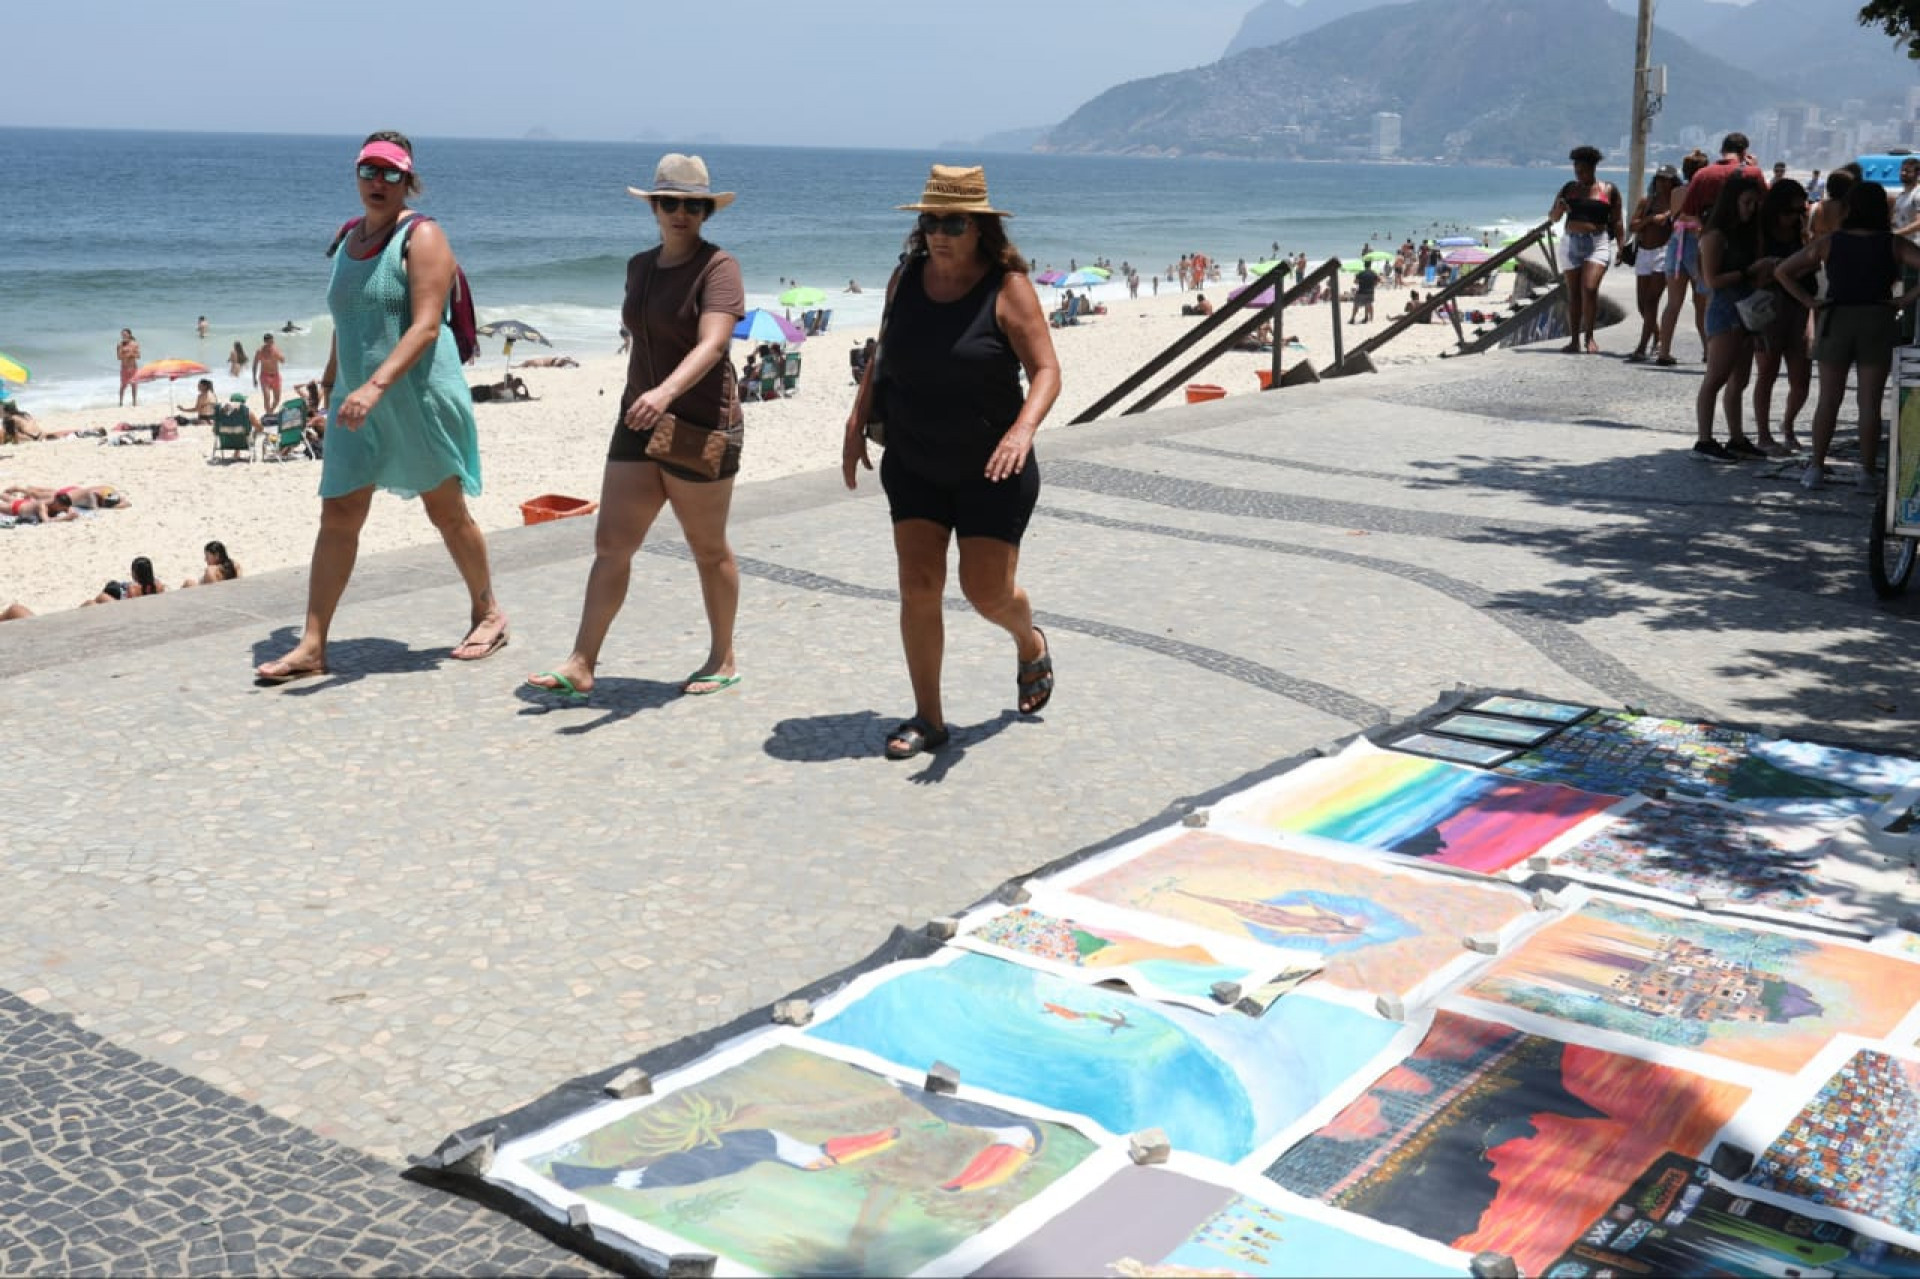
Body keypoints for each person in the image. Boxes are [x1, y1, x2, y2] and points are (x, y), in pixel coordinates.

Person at [255, 130, 508, 684]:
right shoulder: (347, 238)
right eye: (369, 170)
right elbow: (347, 318)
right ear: (356, 174)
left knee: (445, 510)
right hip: (354, 399)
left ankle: (488, 612)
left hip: (414, 395)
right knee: (339, 513)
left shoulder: (423, 237)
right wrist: (330, 381)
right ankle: (313, 643)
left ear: (408, 180)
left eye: (392, 173)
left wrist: (376, 385)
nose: (378, 182)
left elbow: (424, 324)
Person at [841, 164, 1061, 761]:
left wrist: (1022, 431)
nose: (939, 232)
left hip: (992, 466)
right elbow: (883, 352)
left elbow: (1046, 370)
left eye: (954, 222)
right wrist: (856, 421)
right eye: (931, 221)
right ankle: (929, 719)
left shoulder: (1007, 287)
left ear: (980, 227)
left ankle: (1028, 640)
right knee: (918, 586)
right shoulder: (905, 278)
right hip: (914, 459)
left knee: (986, 592)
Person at [526, 154, 745, 704]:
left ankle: (723, 657)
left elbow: (713, 343)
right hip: (638, 419)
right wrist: (646, 397)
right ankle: (581, 662)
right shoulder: (639, 267)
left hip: (698, 423)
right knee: (612, 543)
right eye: (669, 203)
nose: (680, 213)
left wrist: (666, 392)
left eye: (692, 206)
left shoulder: (719, 268)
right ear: (653, 206)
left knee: (707, 547)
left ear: (705, 212)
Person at [1774, 180, 1920, 492]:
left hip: (1836, 317)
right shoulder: (1892, 243)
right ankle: (1866, 473)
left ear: (1848, 209)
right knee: (1870, 402)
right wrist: (1908, 299)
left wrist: (1810, 302)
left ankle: (1816, 467)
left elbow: (1782, 271)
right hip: (1878, 319)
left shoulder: (1831, 242)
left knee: (1828, 399)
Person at [1658, 135, 1765, 364]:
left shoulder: (1702, 176)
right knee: (1707, 301)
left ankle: (1663, 351)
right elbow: (1763, 203)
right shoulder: (1750, 173)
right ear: (1745, 150)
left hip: (1683, 240)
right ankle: (1711, 352)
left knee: (1673, 302)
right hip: (1723, 243)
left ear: (1721, 150)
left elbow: (1689, 210)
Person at [1691, 174, 1773, 462]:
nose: (1751, 209)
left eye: (1755, 203)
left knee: (1740, 379)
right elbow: (1712, 279)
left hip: (1747, 309)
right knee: (1716, 377)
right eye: (1747, 202)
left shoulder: (1748, 234)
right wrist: (1749, 272)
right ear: (1732, 202)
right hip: (1725, 310)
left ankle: (1736, 437)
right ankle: (1704, 439)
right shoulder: (1715, 236)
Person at [1752, 179, 1812, 457]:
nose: (1795, 217)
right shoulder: (1762, 232)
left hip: (1800, 304)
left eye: (1800, 211)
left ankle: (1787, 426)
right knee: (1767, 372)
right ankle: (1764, 435)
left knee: (1802, 378)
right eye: (1791, 211)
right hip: (1770, 305)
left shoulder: (1801, 229)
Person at [1548, 145, 1623, 354]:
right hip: (1571, 242)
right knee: (1574, 294)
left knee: (1589, 289)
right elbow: (1553, 218)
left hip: (1597, 243)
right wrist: (1559, 209)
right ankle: (1574, 340)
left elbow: (1617, 221)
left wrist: (1621, 245)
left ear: (1592, 169)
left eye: (1581, 170)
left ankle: (1589, 337)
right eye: (1575, 170)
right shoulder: (1568, 189)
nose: (1578, 174)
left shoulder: (1608, 190)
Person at [1625, 166, 1681, 362]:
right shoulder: (1646, 201)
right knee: (1642, 304)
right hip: (1643, 252)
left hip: (1663, 252)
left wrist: (1668, 218)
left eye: (1666, 180)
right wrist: (1649, 219)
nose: (1662, 183)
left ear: (1673, 182)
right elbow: (1632, 226)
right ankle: (1657, 336)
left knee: (1651, 300)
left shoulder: (1676, 204)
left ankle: (1641, 347)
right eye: (1659, 179)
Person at [88, 556, 163, 605]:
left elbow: (126, 608)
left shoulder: (133, 589)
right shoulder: (159, 585)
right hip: (121, 590)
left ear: (135, 574)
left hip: (119, 596)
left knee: (94, 601)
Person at [253, 333, 287, 414]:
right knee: (267, 397)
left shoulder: (276, 349)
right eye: (269, 342)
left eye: (272, 342)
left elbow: (283, 361)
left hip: (276, 376)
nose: (271, 344)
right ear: (265, 342)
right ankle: (268, 415)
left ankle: (270, 412)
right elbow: (255, 365)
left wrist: (279, 357)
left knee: (277, 399)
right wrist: (254, 378)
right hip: (265, 376)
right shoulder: (260, 351)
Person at [3, 491, 76, 524]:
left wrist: (71, 513)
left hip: (26, 502)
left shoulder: (57, 502)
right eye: (62, 508)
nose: (64, 510)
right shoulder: (42, 506)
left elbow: (69, 508)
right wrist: (65, 518)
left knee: (8, 498)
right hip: (16, 508)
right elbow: (47, 521)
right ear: (57, 504)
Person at [116, 329, 141, 407]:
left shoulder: (135, 344)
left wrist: (132, 354)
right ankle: (120, 403)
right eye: (122, 335)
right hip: (124, 368)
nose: (123, 336)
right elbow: (119, 357)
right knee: (123, 386)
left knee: (134, 386)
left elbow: (139, 356)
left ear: (129, 335)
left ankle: (134, 402)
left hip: (133, 368)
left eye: (125, 334)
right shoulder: (119, 345)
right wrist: (125, 353)